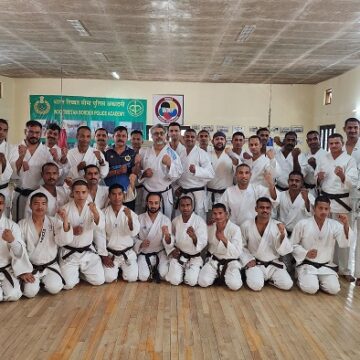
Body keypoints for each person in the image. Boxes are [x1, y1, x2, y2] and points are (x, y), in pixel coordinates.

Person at [315, 133, 358, 281]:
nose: (333, 146)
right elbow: (317, 179)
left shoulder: (349, 160)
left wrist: (342, 176)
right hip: (325, 203)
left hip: (342, 202)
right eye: (331, 143)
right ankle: (328, 264)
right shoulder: (323, 159)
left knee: (344, 235)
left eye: (336, 143)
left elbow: (353, 183)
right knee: (326, 235)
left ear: (342, 143)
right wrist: (318, 179)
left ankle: (345, 270)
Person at [292, 196, 353, 294]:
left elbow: (344, 242)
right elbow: (293, 245)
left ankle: (318, 282)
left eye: (326, 209)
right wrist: (305, 253)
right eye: (320, 208)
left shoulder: (334, 225)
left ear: (329, 210)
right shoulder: (303, 224)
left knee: (334, 289)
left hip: (326, 267)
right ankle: (304, 279)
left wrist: (346, 224)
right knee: (311, 289)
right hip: (308, 265)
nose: (323, 211)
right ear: (314, 208)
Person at [19, 193, 72, 297]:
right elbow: (19, 249)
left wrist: (65, 219)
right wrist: (23, 270)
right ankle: (37, 283)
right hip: (31, 267)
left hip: (50, 265)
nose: (40, 207)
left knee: (55, 288)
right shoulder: (22, 224)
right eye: (36, 203)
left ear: (47, 206)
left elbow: (64, 241)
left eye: (43, 203)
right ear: (30, 206)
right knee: (29, 293)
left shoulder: (54, 222)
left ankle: (44, 282)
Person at [59, 179, 105, 289]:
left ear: (88, 192)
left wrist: (95, 213)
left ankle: (81, 273)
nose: (80, 195)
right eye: (77, 192)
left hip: (88, 252)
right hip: (69, 253)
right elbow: (58, 235)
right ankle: (76, 272)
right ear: (72, 193)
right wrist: (71, 231)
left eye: (83, 192)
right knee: (68, 285)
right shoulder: (64, 209)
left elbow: (100, 226)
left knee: (99, 280)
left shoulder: (93, 208)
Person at [241, 197, 293, 291]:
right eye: (262, 207)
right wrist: (248, 259)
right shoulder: (246, 225)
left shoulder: (278, 226)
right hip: (255, 264)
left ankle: (270, 280)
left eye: (268, 208)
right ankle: (258, 277)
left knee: (287, 285)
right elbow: (241, 246)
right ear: (256, 209)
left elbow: (284, 250)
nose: (265, 210)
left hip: (274, 265)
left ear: (271, 209)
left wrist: (282, 235)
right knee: (256, 286)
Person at [11, 120, 54, 221]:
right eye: (31, 132)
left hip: (38, 196)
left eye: (37, 133)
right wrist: (21, 158)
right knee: (19, 224)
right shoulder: (15, 149)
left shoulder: (45, 152)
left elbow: (51, 173)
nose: (34, 135)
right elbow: (12, 174)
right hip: (20, 194)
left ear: (41, 134)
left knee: (37, 224)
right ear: (25, 131)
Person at [138, 124, 183, 218]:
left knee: (165, 222)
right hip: (147, 192)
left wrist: (170, 165)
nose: (159, 136)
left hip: (164, 194)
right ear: (151, 136)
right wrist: (144, 174)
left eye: (161, 133)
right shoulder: (144, 151)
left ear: (165, 135)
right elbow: (138, 172)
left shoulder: (172, 153)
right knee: (146, 221)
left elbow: (179, 173)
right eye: (156, 133)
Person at [98, 184, 140, 283]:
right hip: (111, 254)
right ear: (109, 196)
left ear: (123, 196)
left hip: (127, 254)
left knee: (132, 278)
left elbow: (134, 232)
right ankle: (116, 271)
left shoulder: (130, 213)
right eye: (114, 194)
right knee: (108, 278)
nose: (117, 197)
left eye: (119, 194)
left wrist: (129, 218)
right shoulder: (103, 213)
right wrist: (104, 256)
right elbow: (99, 236)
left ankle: (122, 270)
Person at [198, 203, 245, 291]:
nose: (218, 216)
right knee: (202, 282)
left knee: (235, 285)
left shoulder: (235, 229)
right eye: (215, 213)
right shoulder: (210, 227)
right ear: (212, 215)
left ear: (226, 214)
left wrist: (224, 239)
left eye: (220, 213)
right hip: (214, 261)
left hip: (231, 262)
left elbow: (237, 253)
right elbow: (202, 241)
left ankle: (226, 275)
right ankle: (217, 274)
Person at [165, 196, 207, 286]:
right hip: (179, 256)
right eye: (182, 205)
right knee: (174, 281)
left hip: (194, 258)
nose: (185, 208)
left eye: (188, 205)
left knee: (191, 281)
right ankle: (181, 271)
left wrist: (194, 237)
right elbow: (171, 239)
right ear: (179, 207)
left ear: (192, 206)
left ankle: (187, 273)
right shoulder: (175, 221)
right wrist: (172, 250)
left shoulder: (199, 221)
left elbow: (203, 242)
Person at [175, 128, 214, 220]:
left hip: (197, 193)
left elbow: (211, 174)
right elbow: (176, 173)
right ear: (183, 138)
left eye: (192, 137)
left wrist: (197, 170)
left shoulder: (202, 153)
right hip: (183, 192)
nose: (189, 139)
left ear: (196, 138)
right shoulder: (180, 153)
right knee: (180, 219)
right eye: (187, 136)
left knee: (198, 220)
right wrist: (175, 187)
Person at [0, 193, 32, 301]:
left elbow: (19, 253)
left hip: (6, 268)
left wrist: (12, 240)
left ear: (4, 205)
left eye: (0, 203)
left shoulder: (12, 225)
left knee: (14, 295)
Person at [135, 192, 172, 282]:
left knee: (163, 274)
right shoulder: (139, 218)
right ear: (147, 203)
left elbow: (169, 244)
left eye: (156, 203)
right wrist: (140, 243)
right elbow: (133, 237)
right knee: (143, 277)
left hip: (159, 253)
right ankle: (151, 269)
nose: (153, 205)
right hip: (145, 252)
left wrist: (167, 236)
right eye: (151, 202)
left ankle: (156, 269)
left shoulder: (165, 220)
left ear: (160, 203)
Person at [342, 118, 360, 286]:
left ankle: (359, 273)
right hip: (343, 196)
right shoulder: (339, 148)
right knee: (345, 233)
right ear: (344, 129)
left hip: (359, 193)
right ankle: (344, 270)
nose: (353, 130)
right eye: (350, 128)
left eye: (355, 127)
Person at [105, 126, 138, 210]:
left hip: (127, 195)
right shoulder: (107, 153)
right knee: (109, 220)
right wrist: (117, 171)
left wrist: (137, 164)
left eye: (123, 136)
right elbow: (102, 174)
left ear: (127, 138)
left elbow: (135, 173)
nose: (121, 138)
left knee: (128, 219)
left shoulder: (132, 153)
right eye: (118, 136)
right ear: (113, 137)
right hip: (110, 195)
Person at [276, 171, 314, 235]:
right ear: (288, 181)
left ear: (302, 183)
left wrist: (306, 200)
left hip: (300, 233)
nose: (294, 182)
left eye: (297, 181)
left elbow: (311, 214)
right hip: (282, 232)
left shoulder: (309, 196)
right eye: (291, 180)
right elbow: (274, 213)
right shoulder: (281, 195)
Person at [207, 131, 237, 209]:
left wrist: (231, 155)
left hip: (226, 194)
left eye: (222, 139)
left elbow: (238, 167)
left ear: (225, 141)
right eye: (217, 139)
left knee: (225, 217)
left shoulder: (232, 155)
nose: (219, 141)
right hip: (210, 194)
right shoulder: (207, 155)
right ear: (212, 141)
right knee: (210, 218)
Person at [298, 130, 327, 195]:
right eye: (310, 140)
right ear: (307, 141)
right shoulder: (304, 155)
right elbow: (301, 173)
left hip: (321, 190)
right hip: (306, 189)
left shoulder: (326, 155)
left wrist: (314, 166)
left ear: (319, 139)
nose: (312, 141)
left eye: (315, 139)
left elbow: (325, 176)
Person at [0, 119, 15, 216]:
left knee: (3, 221)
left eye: (5, 130)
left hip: (3, 190)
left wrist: (4, 162)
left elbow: (13, 173)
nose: (1, 132)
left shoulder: (11, 148)